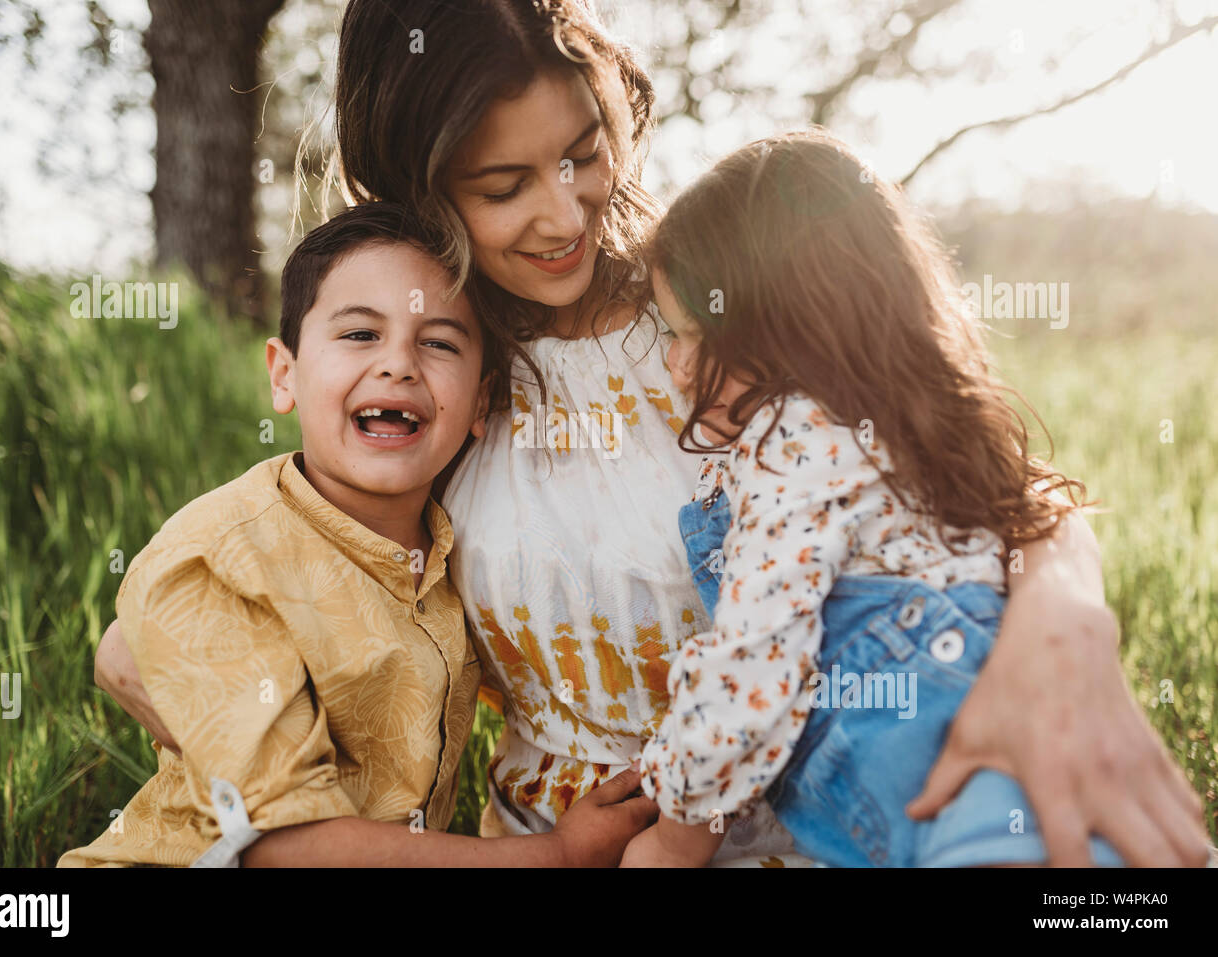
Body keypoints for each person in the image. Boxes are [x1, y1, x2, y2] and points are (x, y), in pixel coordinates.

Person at [93, 0, 1209, 867]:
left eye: (583, 149)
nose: (568, 209)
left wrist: (1069, 632)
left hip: (813, 828)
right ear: (421, 183)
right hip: (557, 851)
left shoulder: (716, 317)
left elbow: (974, 476)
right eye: (504, 184)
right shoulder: (435, 369)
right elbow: (235, 579)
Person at [60, 204, 655, 867]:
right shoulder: (223, 558)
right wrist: (557, 855)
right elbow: (286, 848)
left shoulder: (463, 549)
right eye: (360, 335)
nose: (398, 364)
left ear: (482, 401)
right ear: (283, 373)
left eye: (439, 342)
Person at [624, 131, 1134, 866]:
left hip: (962, 809)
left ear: (791, 320)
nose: (673, 364)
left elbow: (752, 676)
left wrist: (671, 838)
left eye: (693, 333)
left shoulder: (795, 436)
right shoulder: (914, 432)